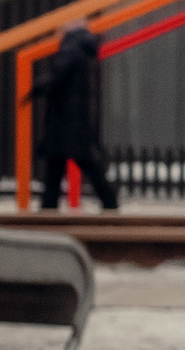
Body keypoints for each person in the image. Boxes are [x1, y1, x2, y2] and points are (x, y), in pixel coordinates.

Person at [27, 19, 118, 211]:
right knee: (69, 163)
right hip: (74, 117)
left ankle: (50, 207)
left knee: (70, 163)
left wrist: (37, 87)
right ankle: (50, 206)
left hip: (65, 119)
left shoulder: (72, 48)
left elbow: (57, 75)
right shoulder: (83, 49)